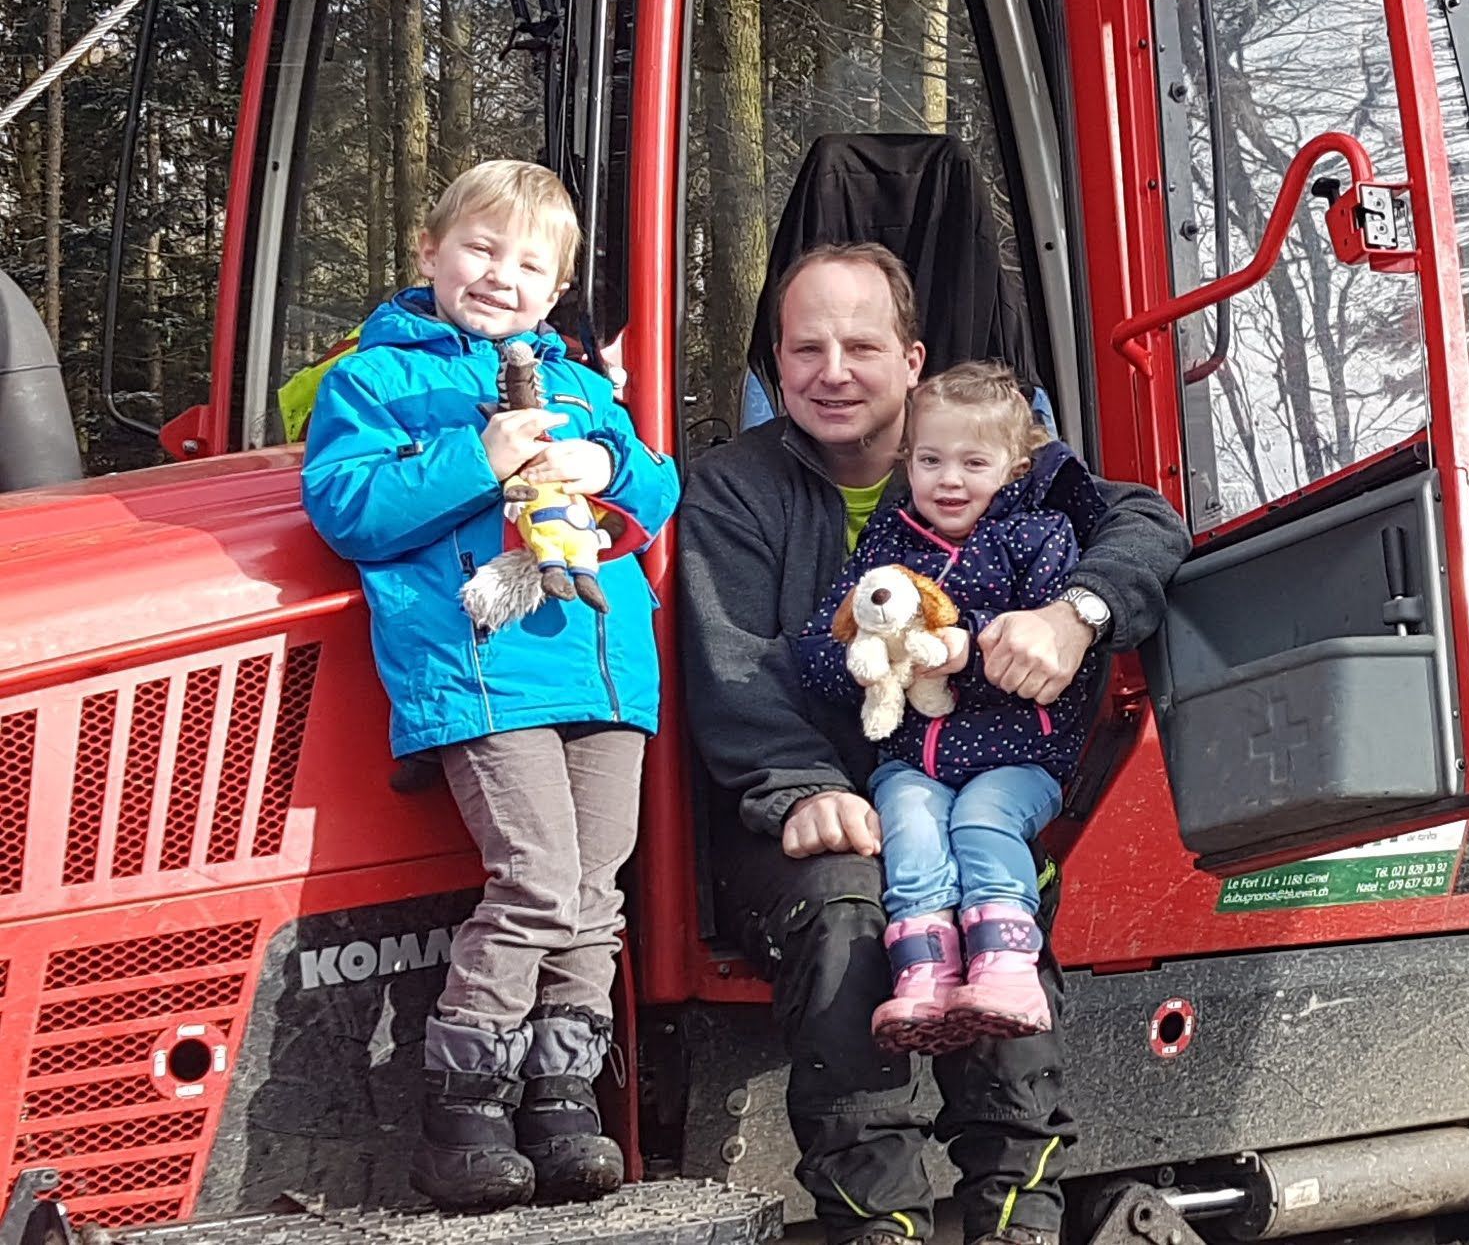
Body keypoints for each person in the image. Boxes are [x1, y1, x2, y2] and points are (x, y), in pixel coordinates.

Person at [679, 242, 1190, 1245]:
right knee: (849, 899)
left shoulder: (998, 461)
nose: (833, 370)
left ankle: (1015, 1214)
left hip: (966, 781)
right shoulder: (733, 490)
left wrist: (1074, 613)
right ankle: (879, 1221)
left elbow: (1146, 522)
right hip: (808, 797)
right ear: (773, 366)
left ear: (911, 360)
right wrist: (801, 791)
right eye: (805, 347)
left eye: (860, 345)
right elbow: (733, 666)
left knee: (987, 884)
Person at [301, 160, 679, 1212]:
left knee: (595, 899)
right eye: (480, 247)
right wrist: (479, 455)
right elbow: (348, 506)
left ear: (555, 290)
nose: (500, 275)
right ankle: (464, 1114)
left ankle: (562, 1105)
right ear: (430, 252)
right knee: (536, 882)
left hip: (602, 670)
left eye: (529, 263)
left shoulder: (582, 386)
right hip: (486, 670)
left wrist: (611, 470)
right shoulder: (374, 382)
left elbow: (658, 481)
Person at [797, 363, 1097, 1054]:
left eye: (973, 462)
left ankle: (1006, 968)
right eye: (931, 460)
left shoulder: (1039, 537)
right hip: (913, 755)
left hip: (1018, 753)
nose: (949, 481)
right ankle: (924, 975)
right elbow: (823, 639)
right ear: (908, 460)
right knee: (906, 822)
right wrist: (865, 659)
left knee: (981, 821)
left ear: (1014, 467)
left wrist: (966, 650)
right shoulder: (888, 547)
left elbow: (1058, 663)